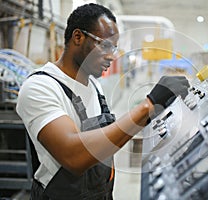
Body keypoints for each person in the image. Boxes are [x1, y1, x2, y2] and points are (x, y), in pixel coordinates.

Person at [16, 3, 189, 200]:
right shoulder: (40, 87)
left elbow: (106, 138)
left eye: (114, 48)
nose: (111, 56)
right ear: (78, 37)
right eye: (105, 45)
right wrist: (147, 106)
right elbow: (74, 155)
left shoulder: (94, 86)